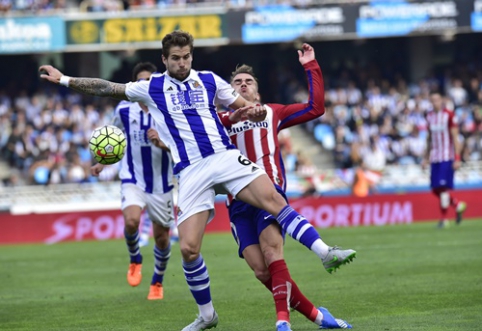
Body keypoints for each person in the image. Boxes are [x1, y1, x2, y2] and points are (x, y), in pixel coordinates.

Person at [39, 30, 356, 331]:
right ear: (165, 60)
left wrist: (255, 111)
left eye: (186, 57)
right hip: (189, 171)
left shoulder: (208, 80)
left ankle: (325, 253)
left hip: (223, 156)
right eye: (176, 58)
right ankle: (207, 315)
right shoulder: (151, 88)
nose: (182, 63)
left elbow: (242, 106)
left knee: (274, 200)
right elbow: (107, 87)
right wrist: (64, 80)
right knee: (189, 250)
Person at [221, 44, 352, 331]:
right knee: (260, 269)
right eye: (237, 83)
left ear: (257, 92)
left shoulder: (272, 113)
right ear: (228, 93)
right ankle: (318, 316)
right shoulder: (219, 122)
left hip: (269, 192)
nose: (243, 85)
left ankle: (283, 322)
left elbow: (316, 108)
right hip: (237, 203)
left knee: (272, 254)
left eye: (249, 82)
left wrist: (311, 66)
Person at [90, 62, 175, 300]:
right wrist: (101, 162)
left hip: (162, 183)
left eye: (150, 80)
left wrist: (162, 143)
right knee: (131, 222)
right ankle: (135, 257)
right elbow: (113, 142)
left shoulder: (168, 111)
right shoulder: (124, 111)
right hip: (133, 178)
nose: (145, 84)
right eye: (141, 80)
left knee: (161, 238)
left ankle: (157, 280)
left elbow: (181, 148)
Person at [423, 92, 467, 228]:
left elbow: (455, 137)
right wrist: (425, 157)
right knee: (435, 189)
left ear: (441, 100)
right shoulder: (429, 116)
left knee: (442, 187)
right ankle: (457, 204)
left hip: (447, 156)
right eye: (433, 100)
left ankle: (443, 219)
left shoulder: (449, 115)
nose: (435, 102)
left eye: (437, 100)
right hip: (434, 157)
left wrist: (458, 158)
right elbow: (429, 138)